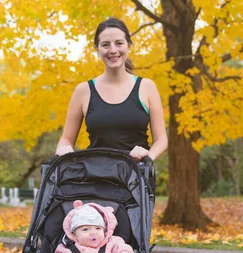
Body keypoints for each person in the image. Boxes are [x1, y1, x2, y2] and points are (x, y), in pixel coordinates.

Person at [55, 17, 168, 162]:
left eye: (119, 43)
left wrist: (147, 157)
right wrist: (64, 149)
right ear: (97, 49)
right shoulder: (83, 91)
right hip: (94, 179)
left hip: (137, 178)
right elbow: (66, 139)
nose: (113, 50)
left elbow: (161, 139)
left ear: (128, 45)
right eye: (106, 45)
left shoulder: (147, 87)